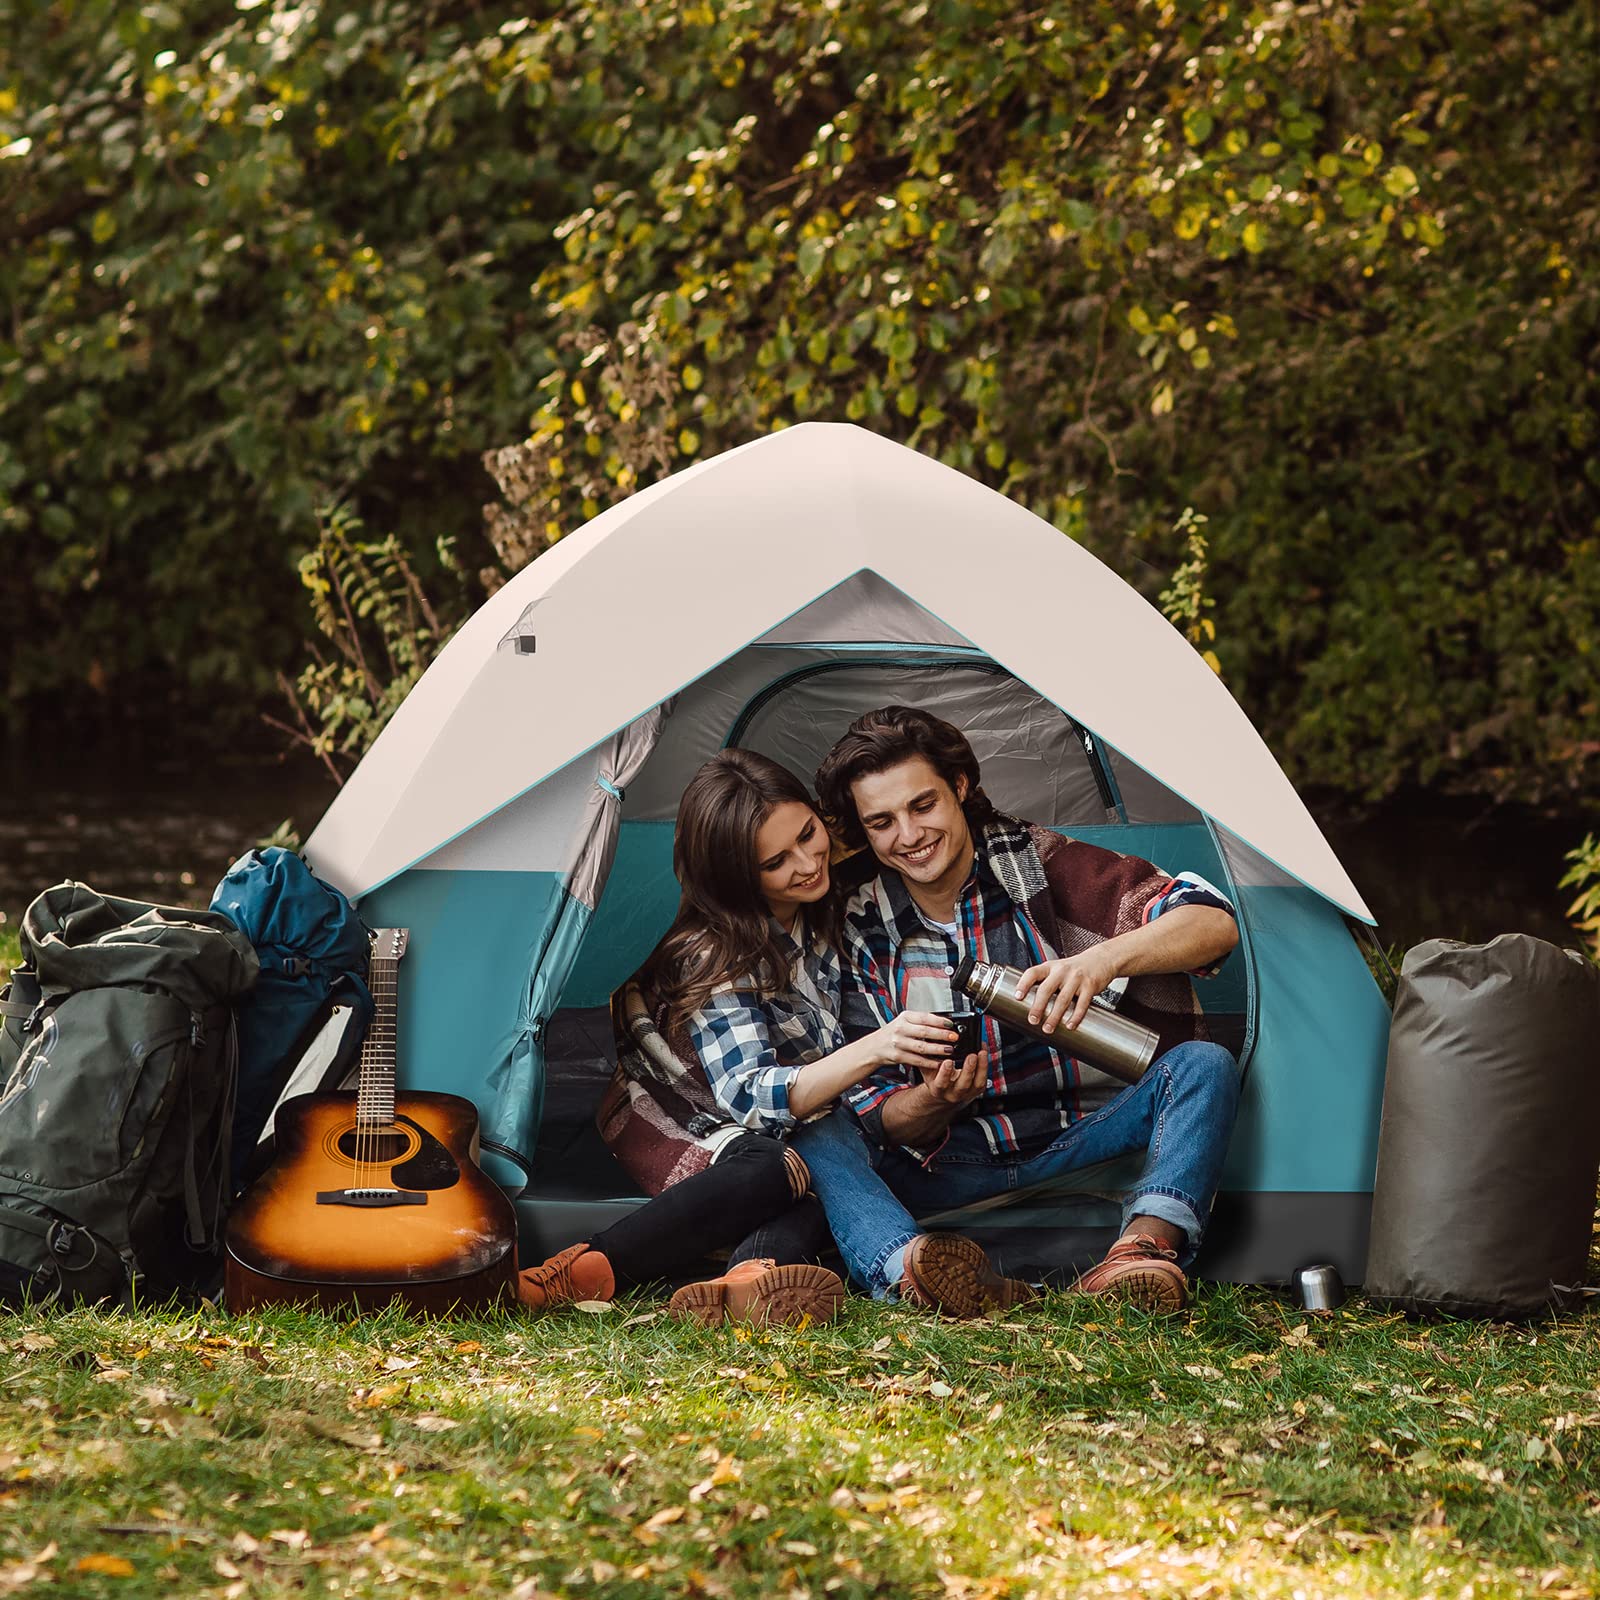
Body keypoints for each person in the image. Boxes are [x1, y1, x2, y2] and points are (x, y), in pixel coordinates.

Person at [516, 749, 1025, 1322]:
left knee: (830, 1166)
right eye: (776, 862)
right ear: (738, 878)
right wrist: (880, 1046)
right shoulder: (717, 953)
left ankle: (752, 1276)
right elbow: (755, 1099)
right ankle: (585, 1268)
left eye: (809, 835)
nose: (808, 863)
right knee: (777, 1165)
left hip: (808, 1122)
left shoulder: (833, 895)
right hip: (685, 1111)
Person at [787, 705, 1242, 1313]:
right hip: (944, 1160)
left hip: (1078, 1134)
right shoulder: (853, 920)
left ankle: (1141, 1255)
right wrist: (931, 1103)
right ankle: (911, 1273)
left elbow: (1211, 924)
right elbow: (875, 1117)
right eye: (882, 822)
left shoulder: (1037, 863)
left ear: (960, 786)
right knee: (813, 1123)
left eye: (923, 806)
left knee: (1204, 1066)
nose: (909, 836)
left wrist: (1101, 962)